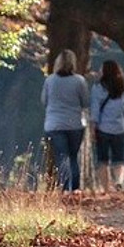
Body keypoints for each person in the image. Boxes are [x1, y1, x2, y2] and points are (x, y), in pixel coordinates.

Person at [42, 49, 89, 192]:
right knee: (73, 157)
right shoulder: (79, 81)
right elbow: (85, 102)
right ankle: (74, 188)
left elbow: (44, 100)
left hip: (54, 124)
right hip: (75, 124)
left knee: (62, 157)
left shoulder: (50, 80)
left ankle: (64, 187)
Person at [91, 59, 124, 193]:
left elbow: (95, 110)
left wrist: (93, 127)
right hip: (120, 128)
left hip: (103, 128)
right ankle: (119, 181)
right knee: (119, 159)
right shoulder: (122, 87)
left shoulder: (98, 88)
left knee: (103, 160)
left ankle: (106, 188)